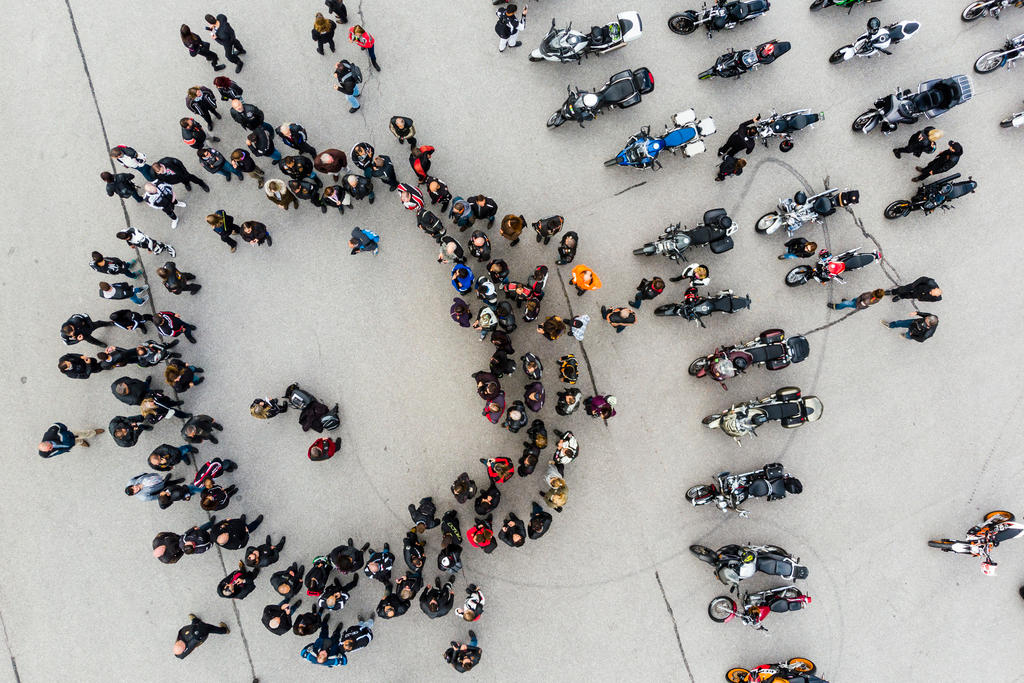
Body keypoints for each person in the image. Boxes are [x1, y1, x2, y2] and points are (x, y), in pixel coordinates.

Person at [38, 422, 102, 457]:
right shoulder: (45, 454)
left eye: (50, 446)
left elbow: (56, 425)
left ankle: (93, 432)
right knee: (75, 443)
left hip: (69, 435)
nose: (51, 449)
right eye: (49, 449)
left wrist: (65, 430)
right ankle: (81, 442)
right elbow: (56, 453)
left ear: (47, 442)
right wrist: (66, 449)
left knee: (83, 434)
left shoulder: (51, 434)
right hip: (68, 444)